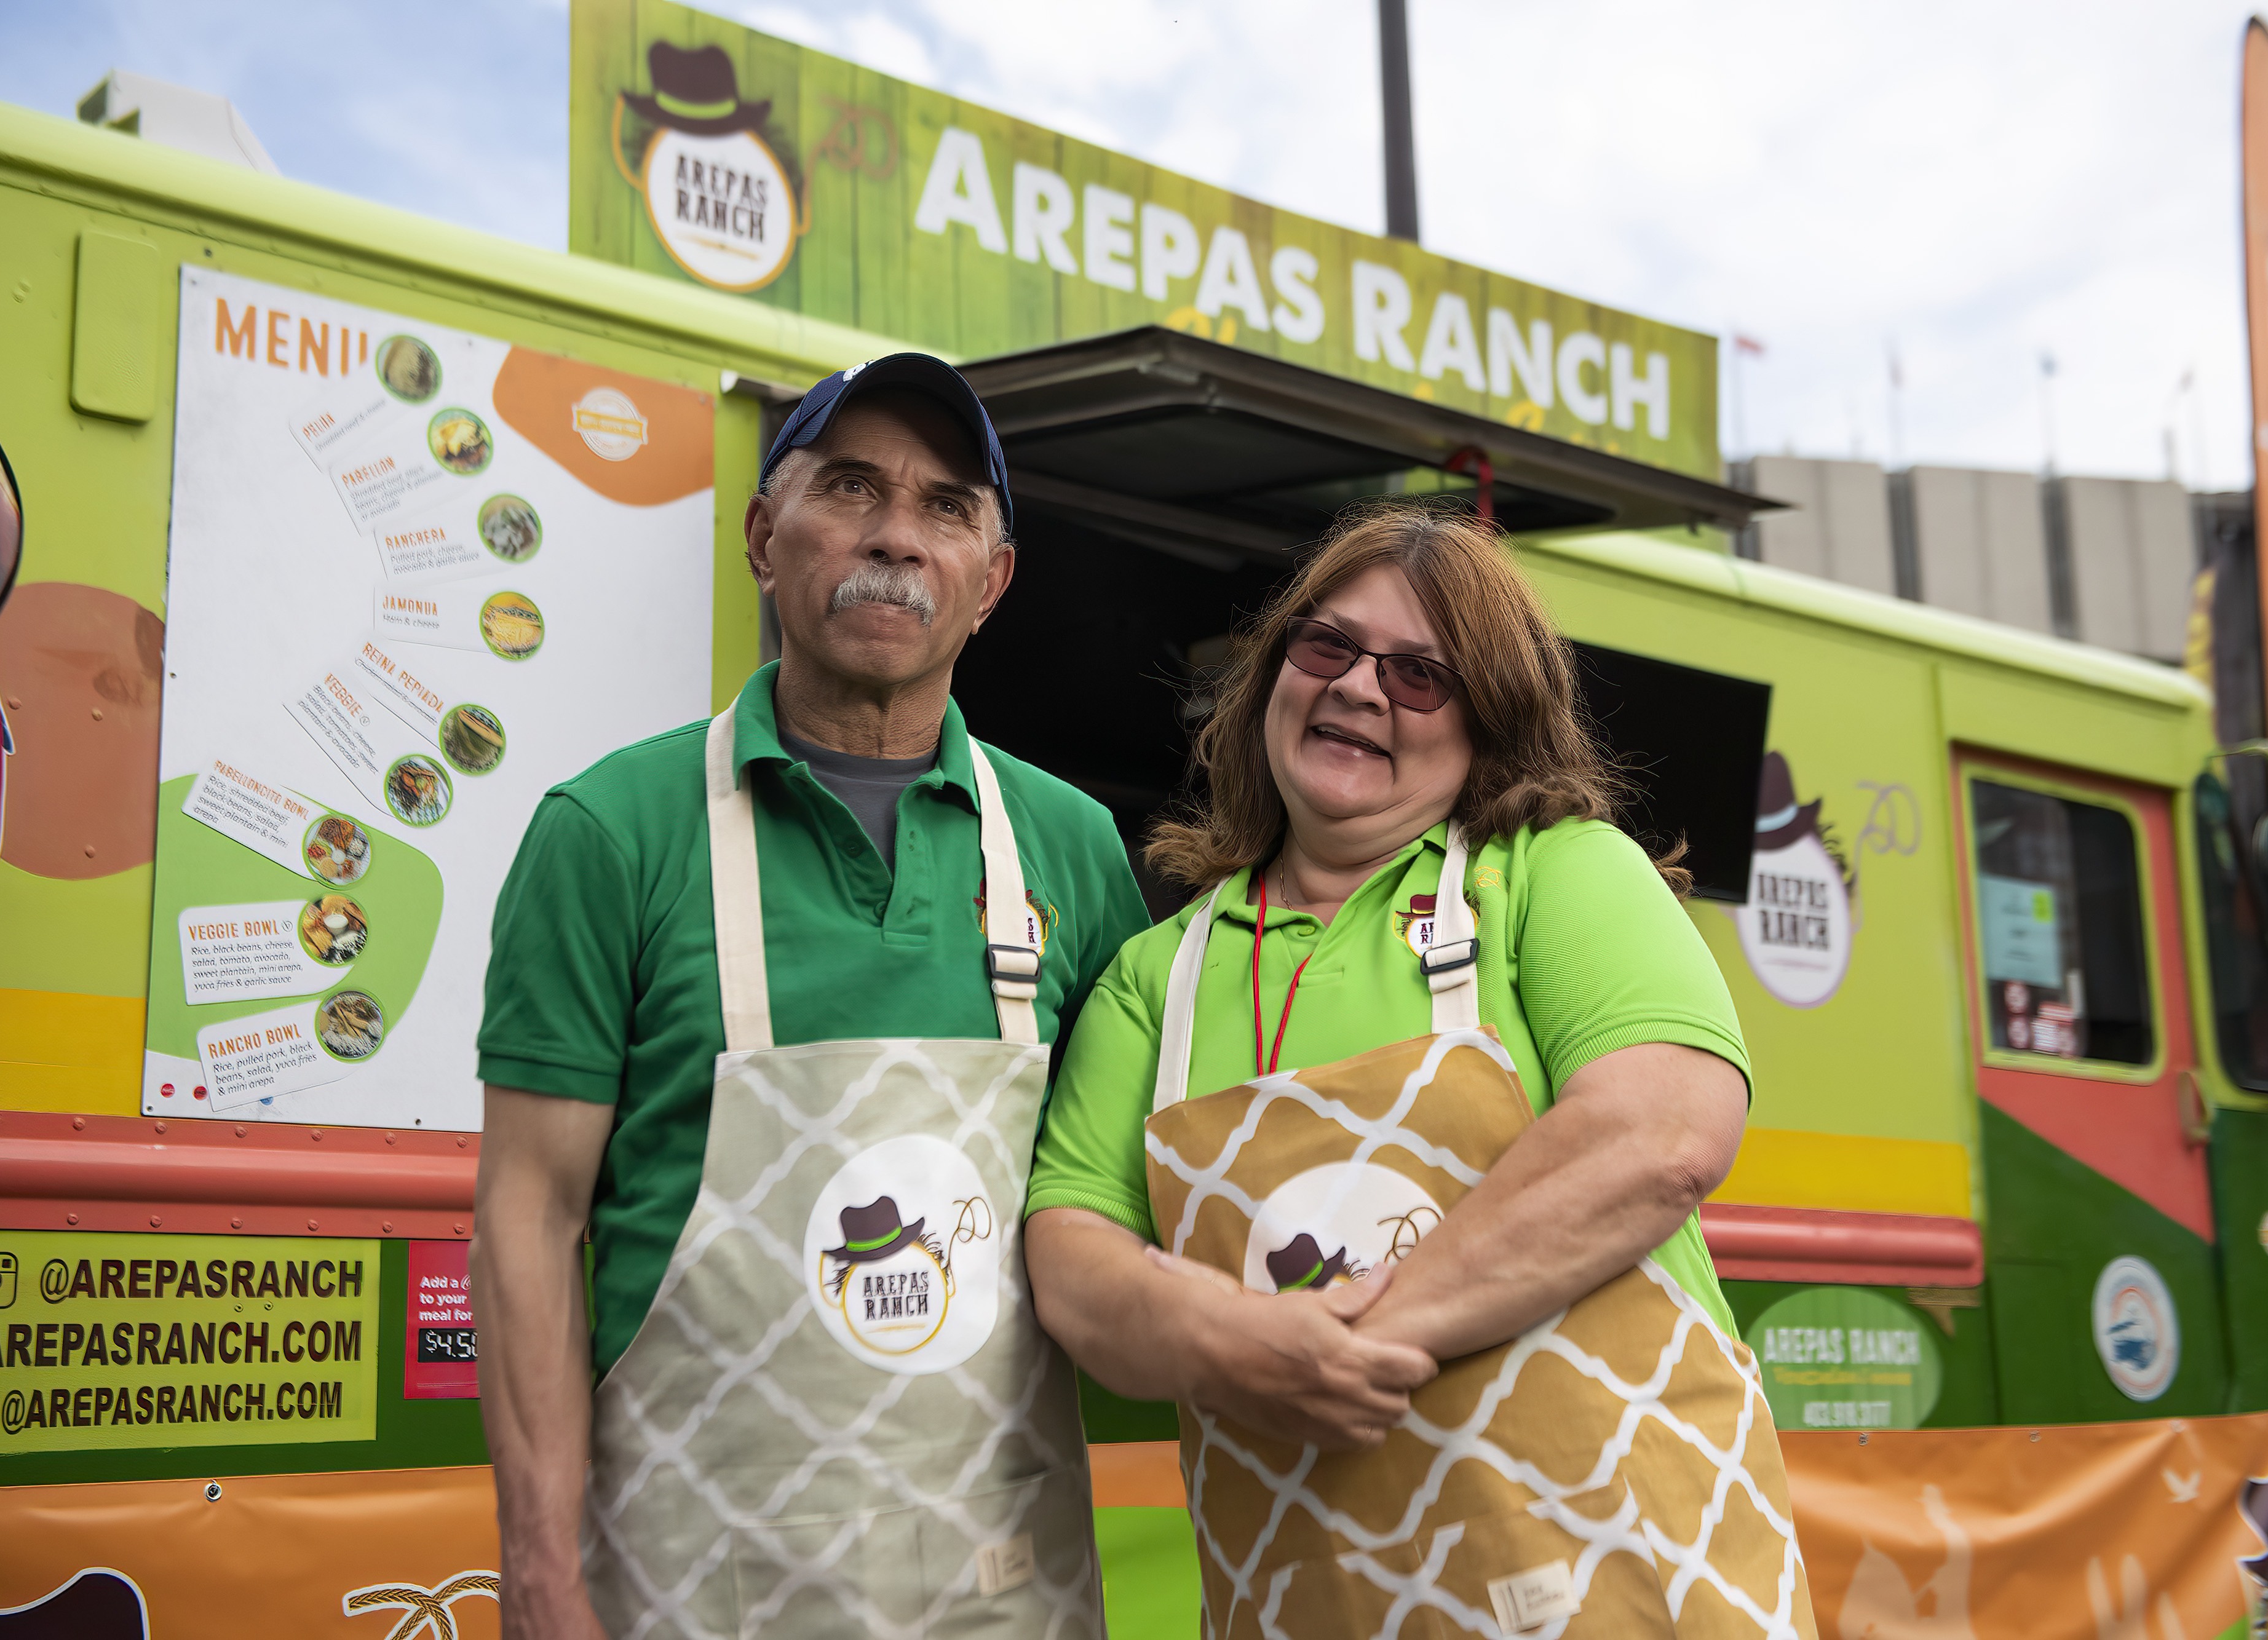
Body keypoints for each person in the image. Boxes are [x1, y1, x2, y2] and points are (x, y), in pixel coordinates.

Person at [1025, 504, 1818, 1638]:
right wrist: (1230, 1343)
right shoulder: (1156, 978)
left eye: (1421, 675)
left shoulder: (1559, 876)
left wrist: (1340, 1346)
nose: (1358, 688)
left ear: (1487, 725)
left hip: (1629, 1591)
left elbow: (1662, 1135)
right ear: (1272, 681)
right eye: (1328, 646)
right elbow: (1071, 1258)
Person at [474, 354, 1148, 1640]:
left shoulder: (1069, 849)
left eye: (948, 506)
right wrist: (539, 1570)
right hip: (688, 1581)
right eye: (850, 487)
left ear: (991, 580)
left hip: (1000, 1583)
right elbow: (529, 1211)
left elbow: (1126, 1196)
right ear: (762, 533)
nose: (897, 535)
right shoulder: (609, 832)